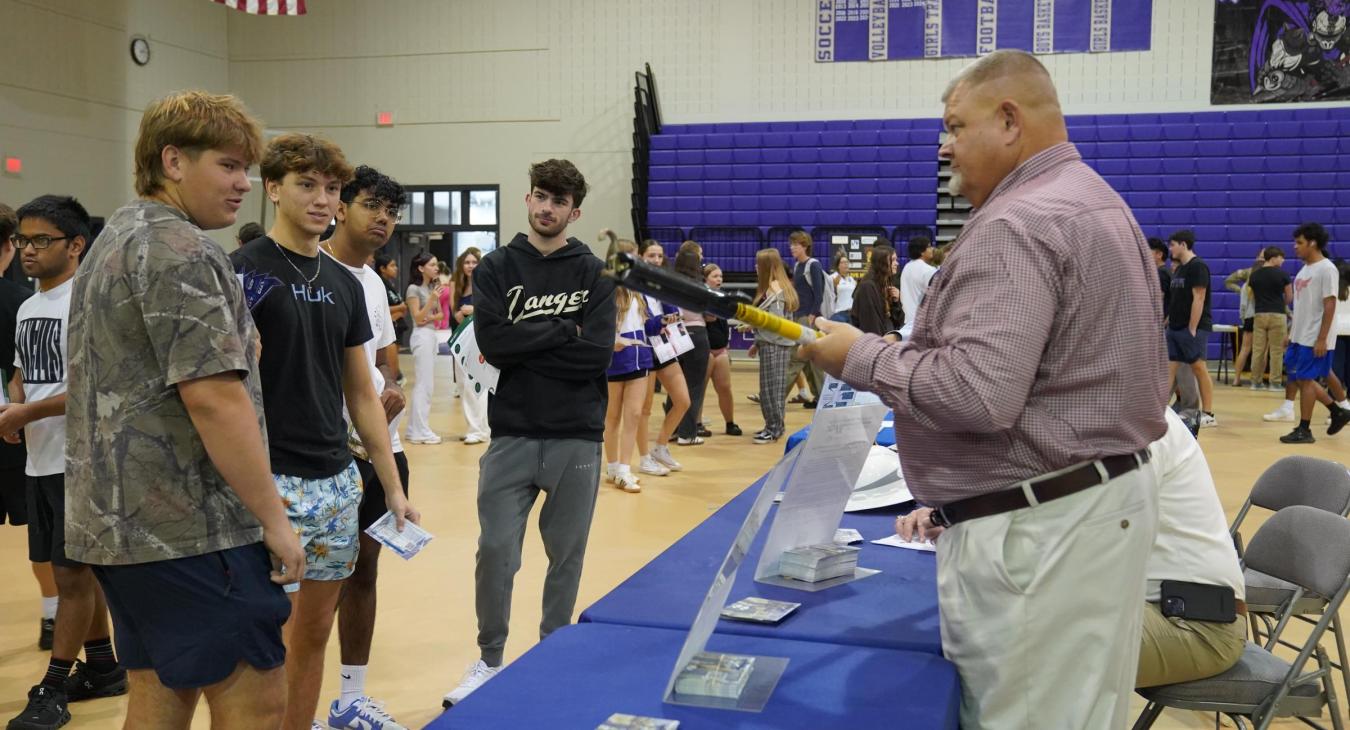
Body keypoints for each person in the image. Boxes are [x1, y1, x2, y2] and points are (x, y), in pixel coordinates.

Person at [800, 50, 1167, 728]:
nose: (944, 150)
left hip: (1042, 529)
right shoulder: (1094, 200)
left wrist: (862, 357)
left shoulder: (1017, 223)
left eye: (954, 127)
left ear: (1007, 120)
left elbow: (977, 395)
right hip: (1086, 509)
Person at [64, 90, 304, 730]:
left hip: (125, 529)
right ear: (173, 161)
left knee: (160, 691)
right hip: (194, 529)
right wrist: (275, 521)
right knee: (256, 699)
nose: (243, 184)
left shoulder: (115, 238)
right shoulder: (181, 250)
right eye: (228, 165)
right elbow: (214, 397)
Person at [231, 132, 418, 730]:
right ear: (273, 189)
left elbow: (360, 393)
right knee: (264, 644)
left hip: (336, 482)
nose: (321, 200)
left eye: (331, 189)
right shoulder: (242, 272)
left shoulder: (345, 284)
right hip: (266, 482)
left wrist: (390, 487)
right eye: (306, 185)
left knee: (312, 636)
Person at [898, 408, 1246, 690]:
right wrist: (959, 518)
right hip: (1142, 604)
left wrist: (975, 530)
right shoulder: (1090, 417)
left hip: (1191, 623)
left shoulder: (1135, 425)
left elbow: (1089, 541)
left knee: (1008, 654)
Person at [443, 159, 615, 706]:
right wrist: (565, 328)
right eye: (540, 196)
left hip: (577, 436)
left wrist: (528, 344)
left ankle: (552, 654)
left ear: (574, 211)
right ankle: (489, 658)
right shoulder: (495, 266)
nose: (547, 208)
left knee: (567, 555)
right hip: (511, 433)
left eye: (558, 201)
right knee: (496, 551)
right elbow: (492, 342)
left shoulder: (594, 273)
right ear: (528, 199)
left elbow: (596, 357)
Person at [3, 196, 126, 730]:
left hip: (82, 463)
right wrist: (15, 407)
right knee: (69, 573)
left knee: (72, 577)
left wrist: (25, 410)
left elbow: (94, 388)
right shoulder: (30, 306)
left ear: (76, 246)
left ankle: (52, 689)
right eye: (24, 241)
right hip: (40, 459)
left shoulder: (89, 301)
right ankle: (102, 667)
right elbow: (21, 371)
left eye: (41, 241)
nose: (28, 250)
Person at [319, 165, 412, 730]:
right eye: (371, 205)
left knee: (363, 573)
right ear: (341, 205)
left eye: (391, 210)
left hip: (381, 450)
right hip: (325, 454)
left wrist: (393, 391)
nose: (382, 219)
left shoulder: (374, 281)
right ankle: (291, 702)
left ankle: (351, 697)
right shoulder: (312, 271)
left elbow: (383, 363)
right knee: (312, 582)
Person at [0, 204, 55, 652]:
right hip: (19, 426)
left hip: (21, 424)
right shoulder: (22, 302)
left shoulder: (28, 304)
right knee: (43, 537)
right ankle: (53, 614)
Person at [1274, 223, 1350, 443]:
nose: (1294, 247)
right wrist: (1291, 331)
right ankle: (1337, 411)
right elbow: (1302, 305)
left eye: (1299, 243)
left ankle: (1304, 429)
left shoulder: (1327, 269)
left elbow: (1330, 305)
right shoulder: (1304, 269)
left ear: (1313, 243)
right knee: (1297, 377)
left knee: (1306, 380)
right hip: (1299, 335)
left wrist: (1321, 338)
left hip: (1314, 337)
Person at [604, 238, 654, 493]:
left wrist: (662, 322)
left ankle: (625, 468)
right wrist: (612, 341)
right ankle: (612, 466)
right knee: (612, 416)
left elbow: (645, 323)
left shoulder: (639, 288)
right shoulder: (606, 287)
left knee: (634, 414)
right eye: (632, 256)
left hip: (639, 357)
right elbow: (596, 325)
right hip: (614, 358)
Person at [635, 239, 688, 473]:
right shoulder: (635, 285)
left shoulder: (663, 284)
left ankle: (660, 446)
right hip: (644, 347)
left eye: (659, 256)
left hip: (665, 346)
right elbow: (641, 324)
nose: (656, 260)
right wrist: (662, 321)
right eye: (651, 256)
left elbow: (673, 312)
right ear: (640, 257)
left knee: (683, 400)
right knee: (644, 409)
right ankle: (644, 457)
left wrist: (673, 316)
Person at [1166, 229, 1217, 427]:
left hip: (1192, 328)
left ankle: (1208, 414)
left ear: (1184, 245)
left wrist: (1193, 327)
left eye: (1173, 244)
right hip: (1175, 328)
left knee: (1199, 367)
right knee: (1170, 369)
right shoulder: (1179, 269)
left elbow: (1199, 297)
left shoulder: (1198, 267)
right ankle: (1160, 409)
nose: (1170, 248)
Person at [746, 248, 797, 444]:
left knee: (770, 389)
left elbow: (774, 322)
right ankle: (774, 426)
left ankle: (774, 428)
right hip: (773, 344)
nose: (755, 267)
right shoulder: (778, 287)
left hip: (774, 345)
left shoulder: (774, 290)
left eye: (759, 264)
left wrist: (752, 323)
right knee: (772, 387)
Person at [669, 240, 710, 445]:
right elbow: (710, 314)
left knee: (673, 382)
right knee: (693, 385)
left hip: (674, 332)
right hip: (695, 332)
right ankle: (687, 433)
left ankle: (672, 429)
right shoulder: (698, 284)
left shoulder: (670, 281)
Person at [451, 247, 490, 444]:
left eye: (474, 262)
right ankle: (476, 427)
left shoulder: (485, 283)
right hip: (461, 339)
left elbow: (494, 308)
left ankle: (479, 430)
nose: (470, 266)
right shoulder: (458, 285)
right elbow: (453, 311)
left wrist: (474, 310)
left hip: (479, 339)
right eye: (467, 262)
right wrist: (458, 314)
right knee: (462, 384)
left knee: (474, 385)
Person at [404, 251, 443, 444]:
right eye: (432, 265)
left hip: (430, 335)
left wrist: (430, 310)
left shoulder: (431, 288)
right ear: (421, 268)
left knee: (426, 384)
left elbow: (440, 316)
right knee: (424, 385)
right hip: (421, 337)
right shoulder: (413, 289)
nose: (436, 268)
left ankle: (414, 429)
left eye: (436, 265)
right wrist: (431, 301)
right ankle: (421, 431)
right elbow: (418, 318)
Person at [783, 230, 824, 408]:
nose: (792, 247)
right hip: (799, 316)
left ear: (805, 246)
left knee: (795, 357)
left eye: (796, 244)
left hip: (808, 317)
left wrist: (813, 314)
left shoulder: (812, 265)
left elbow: (819, 293)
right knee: (811, 360)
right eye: (791, 244)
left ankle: (777, 394)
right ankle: (821, 396)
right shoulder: (798, 266)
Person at [700, 262, 740, 437]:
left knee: (725, 388)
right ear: (705, 279)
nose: (719, 279)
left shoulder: (722, 295)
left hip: (721, 349)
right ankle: (697, 422)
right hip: (705, 349)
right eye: (715, 276)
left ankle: (730, 423)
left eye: (720, 276)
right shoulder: (702, 297)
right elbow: (710, 317)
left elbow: (723, 322)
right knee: (700, 388)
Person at [1249, 246, 1293, 393]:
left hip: (1260, 314)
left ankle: (1255, 382)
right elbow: (1289, 296)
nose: (1283, 260)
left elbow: (1254, 296)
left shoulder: (1254, 275)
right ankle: (1275, 383)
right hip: (1277, 314)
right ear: (1273, 258)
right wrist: (1281, 304)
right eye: (1281, 257)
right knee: (1276, 351)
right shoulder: (1283, 274)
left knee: (1258, 350)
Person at [850, 244, 904, 336]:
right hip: (876, 344)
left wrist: (896, 302)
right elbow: (871, 326)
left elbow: (898, 323)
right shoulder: (868, 287)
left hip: (887, 340)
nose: (897, 263)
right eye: (893, 259)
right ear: (882, 262)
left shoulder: (887, 285)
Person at [1228, 253, 1263, 386]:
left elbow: (1242, 306)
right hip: (1260, 316)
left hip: (1248, 318)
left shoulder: (1244, 286)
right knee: (1261, 350)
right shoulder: (1262, 285)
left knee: (1244, 349)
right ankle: (1256, 379)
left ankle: (1236, 379)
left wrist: (1243, 318)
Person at [899, 235, 936, 327]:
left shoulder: (906, 267)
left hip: (906, 320)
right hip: (922, 322)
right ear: (921, 251)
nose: (932, 249)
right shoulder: (929, 270)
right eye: (929, 246)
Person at [375, 254, 409, 346]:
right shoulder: (378, 284)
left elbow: (402, 308)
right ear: (382, 268)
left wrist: (401, 309)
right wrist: (400, 307)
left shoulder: (391, 284)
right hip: (388, 328)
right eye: (392, 265)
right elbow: (379, 309)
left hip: (397, 327)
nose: (396, 268)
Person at [829, 254, 856, 323]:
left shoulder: (851, 279)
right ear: (838, 266)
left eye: (847, 262)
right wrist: (834, 285)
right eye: (843, 262)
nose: (846, 264)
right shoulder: (832, 277)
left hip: (852, 313)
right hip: (839, 313)